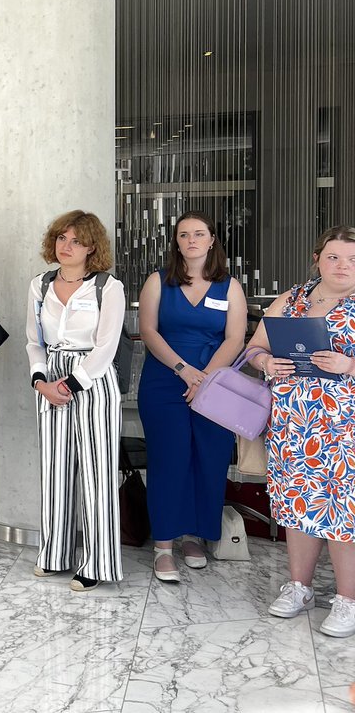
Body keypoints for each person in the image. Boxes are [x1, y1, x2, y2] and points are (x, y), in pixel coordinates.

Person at [246, 225, 355, 637]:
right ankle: (300, 587)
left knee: (345, 510)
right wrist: (266, 364)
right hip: (294, 424)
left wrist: (348, 366)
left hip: (345, 428)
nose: (342, 265)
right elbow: (255, 347)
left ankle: (348, 601)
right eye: (333, 257)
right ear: (317, 259)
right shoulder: (292, 299)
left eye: (351, 259)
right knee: (298, 505)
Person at [137, 212, 246, 582]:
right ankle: (164, 545)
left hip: (215, 385)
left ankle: (194, 537)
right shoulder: (158, 282)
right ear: (177, 242)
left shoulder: (229, 286)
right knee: (169, 459)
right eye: (184, 235)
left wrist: (206, 380)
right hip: (166, 380)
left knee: (208, 459)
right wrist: (185, 371)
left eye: (199, 234)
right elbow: (148, 331)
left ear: (212, 240)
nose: (192, 240)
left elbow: (235, 338)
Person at [25, 210, 126, 592]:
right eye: (62, 239)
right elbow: (33, 340)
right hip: (50, 378)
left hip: (93, 380)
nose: (66, 247)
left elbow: (107, 346)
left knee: (98, 473)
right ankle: (54, 554)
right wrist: (41, 381)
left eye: (77, 241)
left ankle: (97, 562)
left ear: (92, 248)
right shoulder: (40, 284)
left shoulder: (107, 287)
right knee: (55, 469)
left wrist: (72, 383)